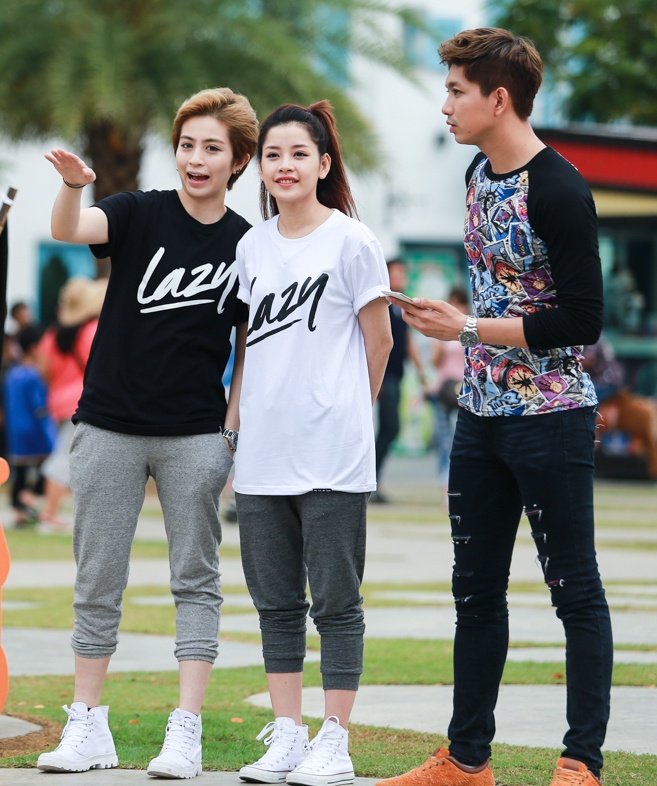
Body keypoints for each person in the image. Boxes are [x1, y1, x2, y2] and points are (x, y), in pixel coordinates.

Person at [378, 28, 612, 786]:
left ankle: (580, 763)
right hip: (478, 417)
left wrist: (469, 328)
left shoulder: (560, 189)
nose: (445, 105)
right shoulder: (478, 172)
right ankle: (466, 760)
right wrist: (450, 322)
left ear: (499, 98)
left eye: (456, 90)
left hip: (551, 418)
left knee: (574, 590)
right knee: (474, 592)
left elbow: (582, 320)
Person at [36, 86, 258, 779]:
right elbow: (68, 231)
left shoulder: (248, 244)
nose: (196, 158)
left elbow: (250, 347)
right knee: (96, 578)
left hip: (195, 434)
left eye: (212, 147)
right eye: (187, 144)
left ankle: (185, 731)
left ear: (237, 160)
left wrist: (229, 431)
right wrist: (74, 186)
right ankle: (86, 727)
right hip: (107, 425)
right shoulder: (137, 211)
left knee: (196, 580)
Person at [233, 101, 392, 786]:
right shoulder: (251, 246)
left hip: (332, 454)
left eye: (299, 154)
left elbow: (379, 341)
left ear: (324, 164)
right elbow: (248, 347)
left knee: (335, 603)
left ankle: (335, 742)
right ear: (261, 168)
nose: (285, 166)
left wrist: (349, 412)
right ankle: (288, 737)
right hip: (262, 456)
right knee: (275, 605)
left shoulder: (352, 242)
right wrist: (236, 424)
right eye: (273, 155)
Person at [36, 276, 106, 531]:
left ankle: (54, 512)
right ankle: (49, 513)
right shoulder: (91, 331)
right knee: (65, 457)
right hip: (83, 403)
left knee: (71, 455)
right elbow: (101, 367)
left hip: (59, 403)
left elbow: (43, 370)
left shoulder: (52, 335)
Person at [371, 258, 424, 503]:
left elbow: (408, 341)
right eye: (397, 272)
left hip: (396, 376)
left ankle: (373, 482)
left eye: (404, 272)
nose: (402, 276)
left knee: (390, 429)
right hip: (383, 378)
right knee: (390, 427)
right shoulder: (379, 303)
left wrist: (422, 372)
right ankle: (369, 483)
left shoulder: (401, 306)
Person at [583, 332, 657, 479]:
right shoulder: (592, 333)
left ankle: (591, 427)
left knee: (581, 402)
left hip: (606, 380)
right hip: (608, 380)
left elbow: (588, 359)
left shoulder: (591, 335)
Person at [3, 325, 57, 525]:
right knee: (50, 466)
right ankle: (30, 497)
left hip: (15, 431)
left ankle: (20, 511)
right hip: (35, 429)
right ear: (35, 347)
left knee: (20, 472)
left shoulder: (12, 373)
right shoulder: (33, 374)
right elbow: (39, 406)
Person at [427, 287, 468, 501]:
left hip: (464, 389)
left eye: (460, 303)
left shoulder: (471, 329)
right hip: (444, 390)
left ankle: (459, 486)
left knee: (460, 439)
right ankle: (445, 487)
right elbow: (435, 362)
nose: (456, 307)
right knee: (444, 440)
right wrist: (440, 346)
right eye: (453, 302)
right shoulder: (442, 331)